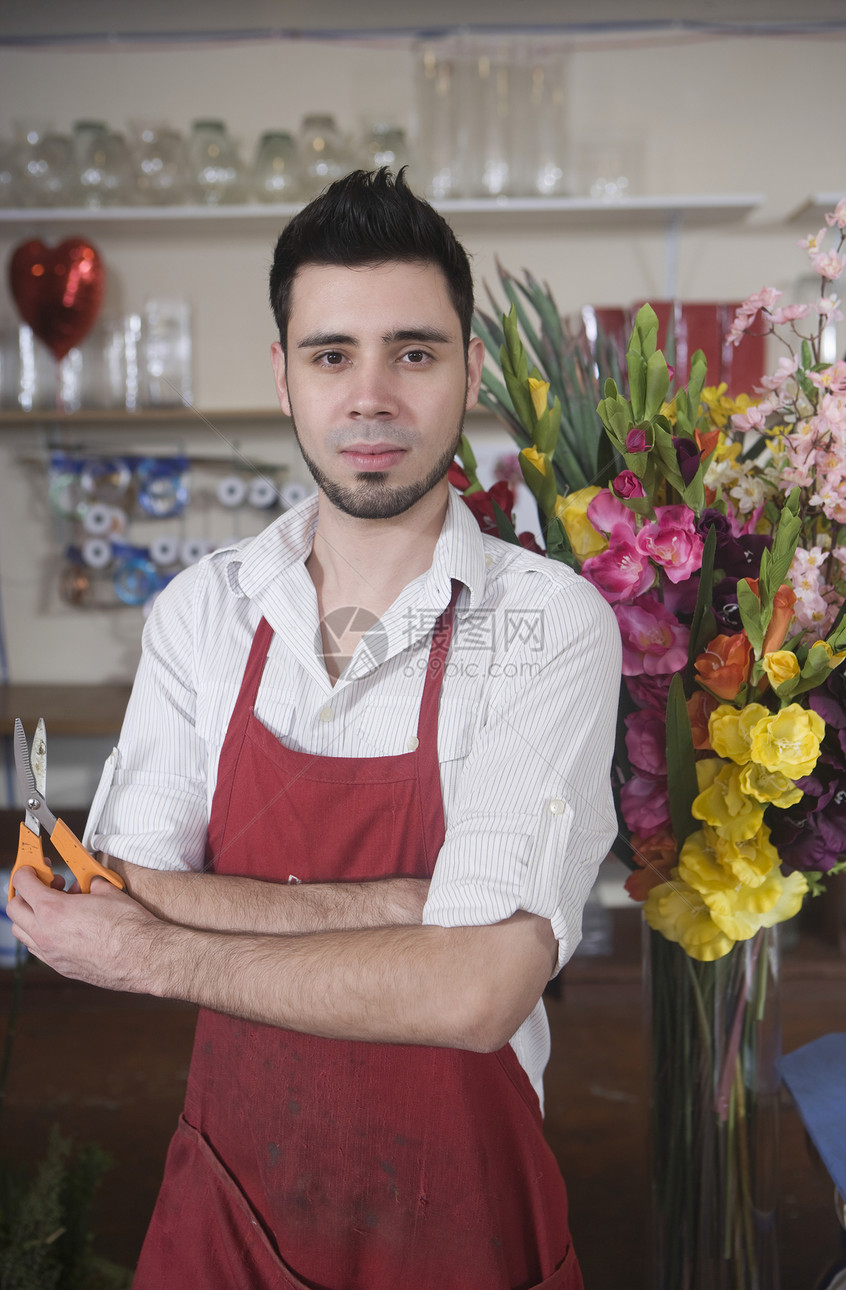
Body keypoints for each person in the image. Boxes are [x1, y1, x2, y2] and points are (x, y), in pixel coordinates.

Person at [8, 168, 621, 1290]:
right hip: (231, 1200)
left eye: (415, 352)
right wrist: (412, 910)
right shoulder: (203, 610)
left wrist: (160, 951)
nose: (372, 397)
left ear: (470, 371)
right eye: (331, 354)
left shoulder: (545, 622)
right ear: (283, 378)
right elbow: (119, 880)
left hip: (460, 1216)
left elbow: (474, 996)